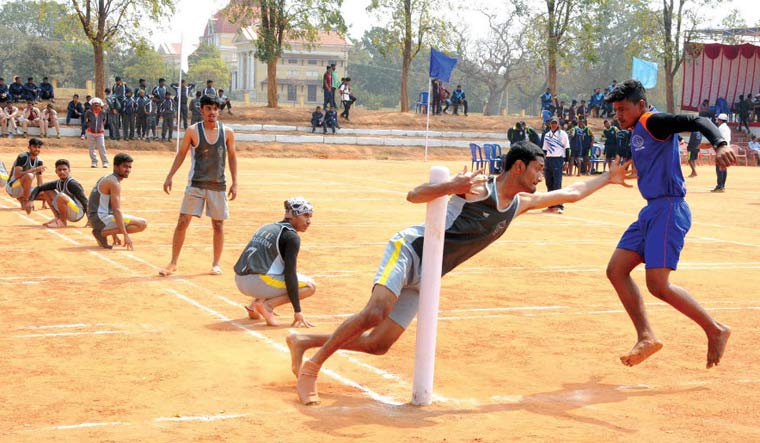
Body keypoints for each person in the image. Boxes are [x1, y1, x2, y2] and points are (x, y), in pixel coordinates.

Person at [288, 141, 636, 405]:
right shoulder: (477, 187)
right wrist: (450, 185)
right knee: (375, 311)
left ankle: (305, 341)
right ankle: (313, 368)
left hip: (430, 274)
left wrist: (608, 177)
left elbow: (571, 193)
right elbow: (414, 196)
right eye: (538, 168)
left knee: (379, 345)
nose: (541, 176)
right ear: (518, 167)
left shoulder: (519, 204)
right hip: (410, 250)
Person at [604, 79, 735, 370]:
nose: (619, 115)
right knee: (616, 270)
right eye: (616, 111)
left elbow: (699, 120)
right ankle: (647, 336)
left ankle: (715, 329)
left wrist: (720, 144)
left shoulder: (653, 121)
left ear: (640, 105)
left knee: (658, 285)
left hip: (669, 208)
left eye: (623, 109)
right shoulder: (638, 129)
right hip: (650, 211)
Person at [159, 96, 238, 277]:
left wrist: (235, 182)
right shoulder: (192, 131)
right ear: (201, 110)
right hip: (196, 183)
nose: (212, 112)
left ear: (219, 111)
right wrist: (170, 176)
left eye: (215, 109)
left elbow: (232, 157)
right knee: (182, 222)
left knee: (218, 225)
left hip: (218, 184)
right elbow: (181, 154)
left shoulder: (227, 133)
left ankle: (216, 263)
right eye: (208, 108)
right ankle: (173, 262)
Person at [234, 197, 317, 327]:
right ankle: (267, 306)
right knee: (310, 286)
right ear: (293, 215)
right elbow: (290, 274)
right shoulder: (291, 237)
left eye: (310, 216)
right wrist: (297, 311)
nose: (309, 221)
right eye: (305, 215)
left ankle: (254, 307)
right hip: (257, 283)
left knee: (273, 268)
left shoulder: (268, 227)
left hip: (240, 280)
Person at [87, 153, 147, 250]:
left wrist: (114, 234)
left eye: (129, 167)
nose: (128, 170)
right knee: (142, 224)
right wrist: (125, 235)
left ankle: (102, 232)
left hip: (95, 218)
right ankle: (101, 233)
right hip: (99, 219)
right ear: (115, 166)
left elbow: (108, 206)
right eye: (125, 166)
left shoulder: (107, 178)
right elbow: (116, 210)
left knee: (135, 222)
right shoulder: (114, 183)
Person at [28, 159, 88, 228]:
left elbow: (85, 201)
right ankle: (57, 218)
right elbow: (39, 188)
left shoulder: (73, 184)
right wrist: (30, 200)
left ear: (69, 170)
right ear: (56, 171)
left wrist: (90, 220)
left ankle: (62, 222)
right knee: (47, 191)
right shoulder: (58, 183)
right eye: (59, 170)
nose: (62, 172)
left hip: (77, 211)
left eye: (64, 169)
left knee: (61, 196)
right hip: (70, 209)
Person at [5, 138, 45, 210]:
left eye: (39, 147)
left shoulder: (39, 161)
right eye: (34, 147)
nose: (37, 149)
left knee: (48, 192)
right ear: (29, 147)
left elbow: (40, 183)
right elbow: (17, 175)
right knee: (29, 176)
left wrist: (44, 201)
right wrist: (34, 169)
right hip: (13, 187)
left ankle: (21, 198)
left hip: (26, 188)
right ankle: (26, 201)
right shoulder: (23, 157)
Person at [541, 117, 570, 214]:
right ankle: (550, 205)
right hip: (548, 160)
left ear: (558, 124)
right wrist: (542, 161)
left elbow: (567, 148)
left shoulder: (563, 134)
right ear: (550, 124)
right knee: (549, 183)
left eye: (555, 123)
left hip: (558, 159)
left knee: (557, 183)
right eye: (552, 123)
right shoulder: (547, 135)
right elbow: (544, 149)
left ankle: (559, 205)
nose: (553, 125)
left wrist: (566, 161)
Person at [84, 98, 109, 168]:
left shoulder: (103, 112)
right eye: (94, 105)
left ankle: (105, 162)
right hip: (90, 133)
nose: (96, 106)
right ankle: (94, 162)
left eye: (97, 105)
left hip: (100, 133)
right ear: (92, 105)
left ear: (100, 105)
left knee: (102, 147)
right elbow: (86, 120)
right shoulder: (88, 112)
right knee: (91, 148)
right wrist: (89, 126)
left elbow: (104, 121)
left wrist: (100, 127)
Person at [712, 113, 731, 192]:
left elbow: (719, 139)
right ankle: (722, 185)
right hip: (727, 148)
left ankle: (720, 186)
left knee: (719, 168)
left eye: (718, 120)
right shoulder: (727, 128)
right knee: (724, 168)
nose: (717, 121)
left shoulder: (720, 128)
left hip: (721, 148)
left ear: (720, 120)